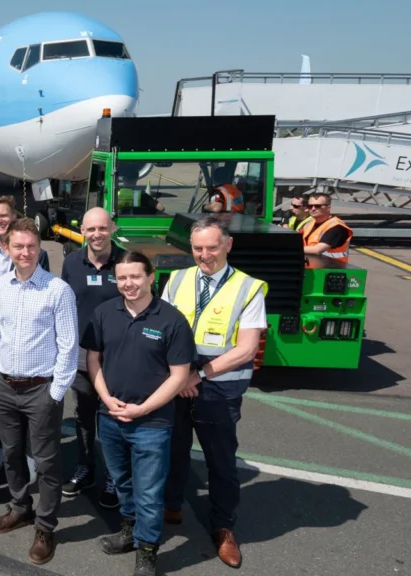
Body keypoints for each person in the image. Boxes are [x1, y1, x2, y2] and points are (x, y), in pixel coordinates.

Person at [160, 216, 268, 569]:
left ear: (228, 245)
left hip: (218, 390)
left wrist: (199, 374)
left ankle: (223, 527)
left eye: (211, 247)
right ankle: (172, 504)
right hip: (178, 383)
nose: (204, 255)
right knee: (172, 450)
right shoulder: (177, 279)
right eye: (197, 248)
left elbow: (246, 348)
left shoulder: (249, 288)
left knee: (220, 462)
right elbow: (161, 328)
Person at [85, 251, 195, 576]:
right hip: (111, 416)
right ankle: (129, 529)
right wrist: (106, 398)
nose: (128, 284)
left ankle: (147, 550)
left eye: (135, 276)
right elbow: (94, 360)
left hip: (152, 422)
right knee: (121, 481)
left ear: (150, 278)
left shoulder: (172, 320)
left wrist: (143, 408)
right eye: (122, 278)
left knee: (148, 491)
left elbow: (179, 375)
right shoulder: (105, 313)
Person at [0, 217, 77, 566]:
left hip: (41, 389)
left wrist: (56, 392)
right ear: (6, 248)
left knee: (48, 460)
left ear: (40, 248)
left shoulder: (57, 290)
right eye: (18, 246)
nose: (25, 252)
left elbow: (69, 345)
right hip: (4, 386)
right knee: (11, 453)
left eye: (31, 246)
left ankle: (46, 526)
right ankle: (20, 507)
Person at [0, 195, 46, 477]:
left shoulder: (33, 252)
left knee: (29, 408)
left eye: (3, 216)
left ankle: (29, 454)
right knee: (0, 406)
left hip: (29, 343)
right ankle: (4, 449)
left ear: (13, 216)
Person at [58, 207, 120, 508]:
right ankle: (86, 468)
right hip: (82, 356)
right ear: (82, 230)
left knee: (111, 419)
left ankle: (114, 477)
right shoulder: (71, 262)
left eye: (102, 228)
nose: (97, 234)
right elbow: (64, 305)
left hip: (116, 358)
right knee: (84, 416)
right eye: (91, 229)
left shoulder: (126, 262)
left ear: (113, 228)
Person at [301, 192, 353, 263]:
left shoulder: (336, 227)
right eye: (310, 206)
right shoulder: (310, 223)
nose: (313, 209)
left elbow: (317, 250)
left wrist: (291, 249)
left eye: (318, 206)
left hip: (333, 268)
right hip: (312, 264)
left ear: (328, 208)